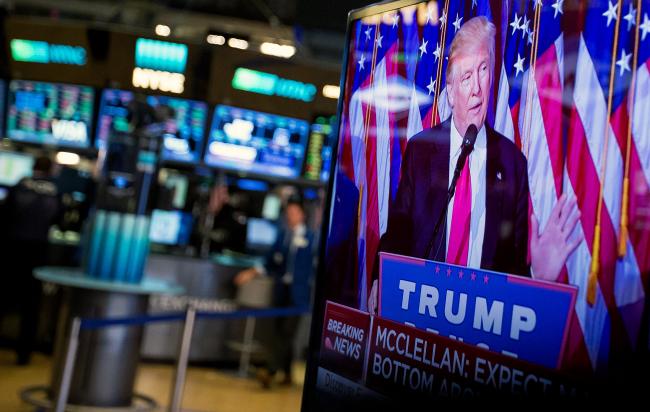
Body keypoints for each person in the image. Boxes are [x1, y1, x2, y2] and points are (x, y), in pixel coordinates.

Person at [368, 16, 581, 313]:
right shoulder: (421, 149)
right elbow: (400, 231)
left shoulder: (512, 164)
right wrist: (381, 276)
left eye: (483, 70)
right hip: (418, 311)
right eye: (467, 77)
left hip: (477, 327)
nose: (477, 89)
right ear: (451, 92)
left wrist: (538, 277)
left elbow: (511, 268)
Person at [234, 195, 316, 388]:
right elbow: (270, 262)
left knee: (286, 333)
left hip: (300, 296)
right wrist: (251, 272)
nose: (290, 216)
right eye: (288, 213)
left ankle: (270, 372)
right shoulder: (283, 236)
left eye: (294, 213)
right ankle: (287, 375)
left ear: (302, 215)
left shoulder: (313, 239)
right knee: (280, 333)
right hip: (282, 291)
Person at [1, 155, 62, 364]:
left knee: (3, 299)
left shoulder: (20, 185)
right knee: (31, 305)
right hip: (37, 254)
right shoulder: (55, 191)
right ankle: (24, 354)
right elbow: (60, 221)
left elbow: (4, 213)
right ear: (50, 169)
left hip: (10, 251)